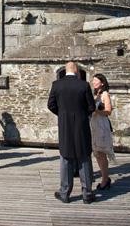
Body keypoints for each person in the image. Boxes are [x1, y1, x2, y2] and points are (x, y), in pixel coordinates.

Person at [48, 62, 96, 204]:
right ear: (76, 70)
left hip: (65, 125)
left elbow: (50, 105)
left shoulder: (57, 85)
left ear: (66, 70)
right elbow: (91, 107)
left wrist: (62, 114)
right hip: (81, 125)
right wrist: (82, 115)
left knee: (66, 156)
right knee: (84, 157)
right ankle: (87, 193)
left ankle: (65, 192)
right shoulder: (84, 85)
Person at [91, 73, 115, 190]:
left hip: (102, 124)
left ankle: (105, 179)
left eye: (96, 80)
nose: (93, 82)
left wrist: (96, 111)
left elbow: (108, 111)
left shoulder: (105, 94)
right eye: (93, 80)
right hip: (94, 125)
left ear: (102, 83)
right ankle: (104, 177)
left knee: (102, 153)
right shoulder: (95, 94)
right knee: (97, 153)